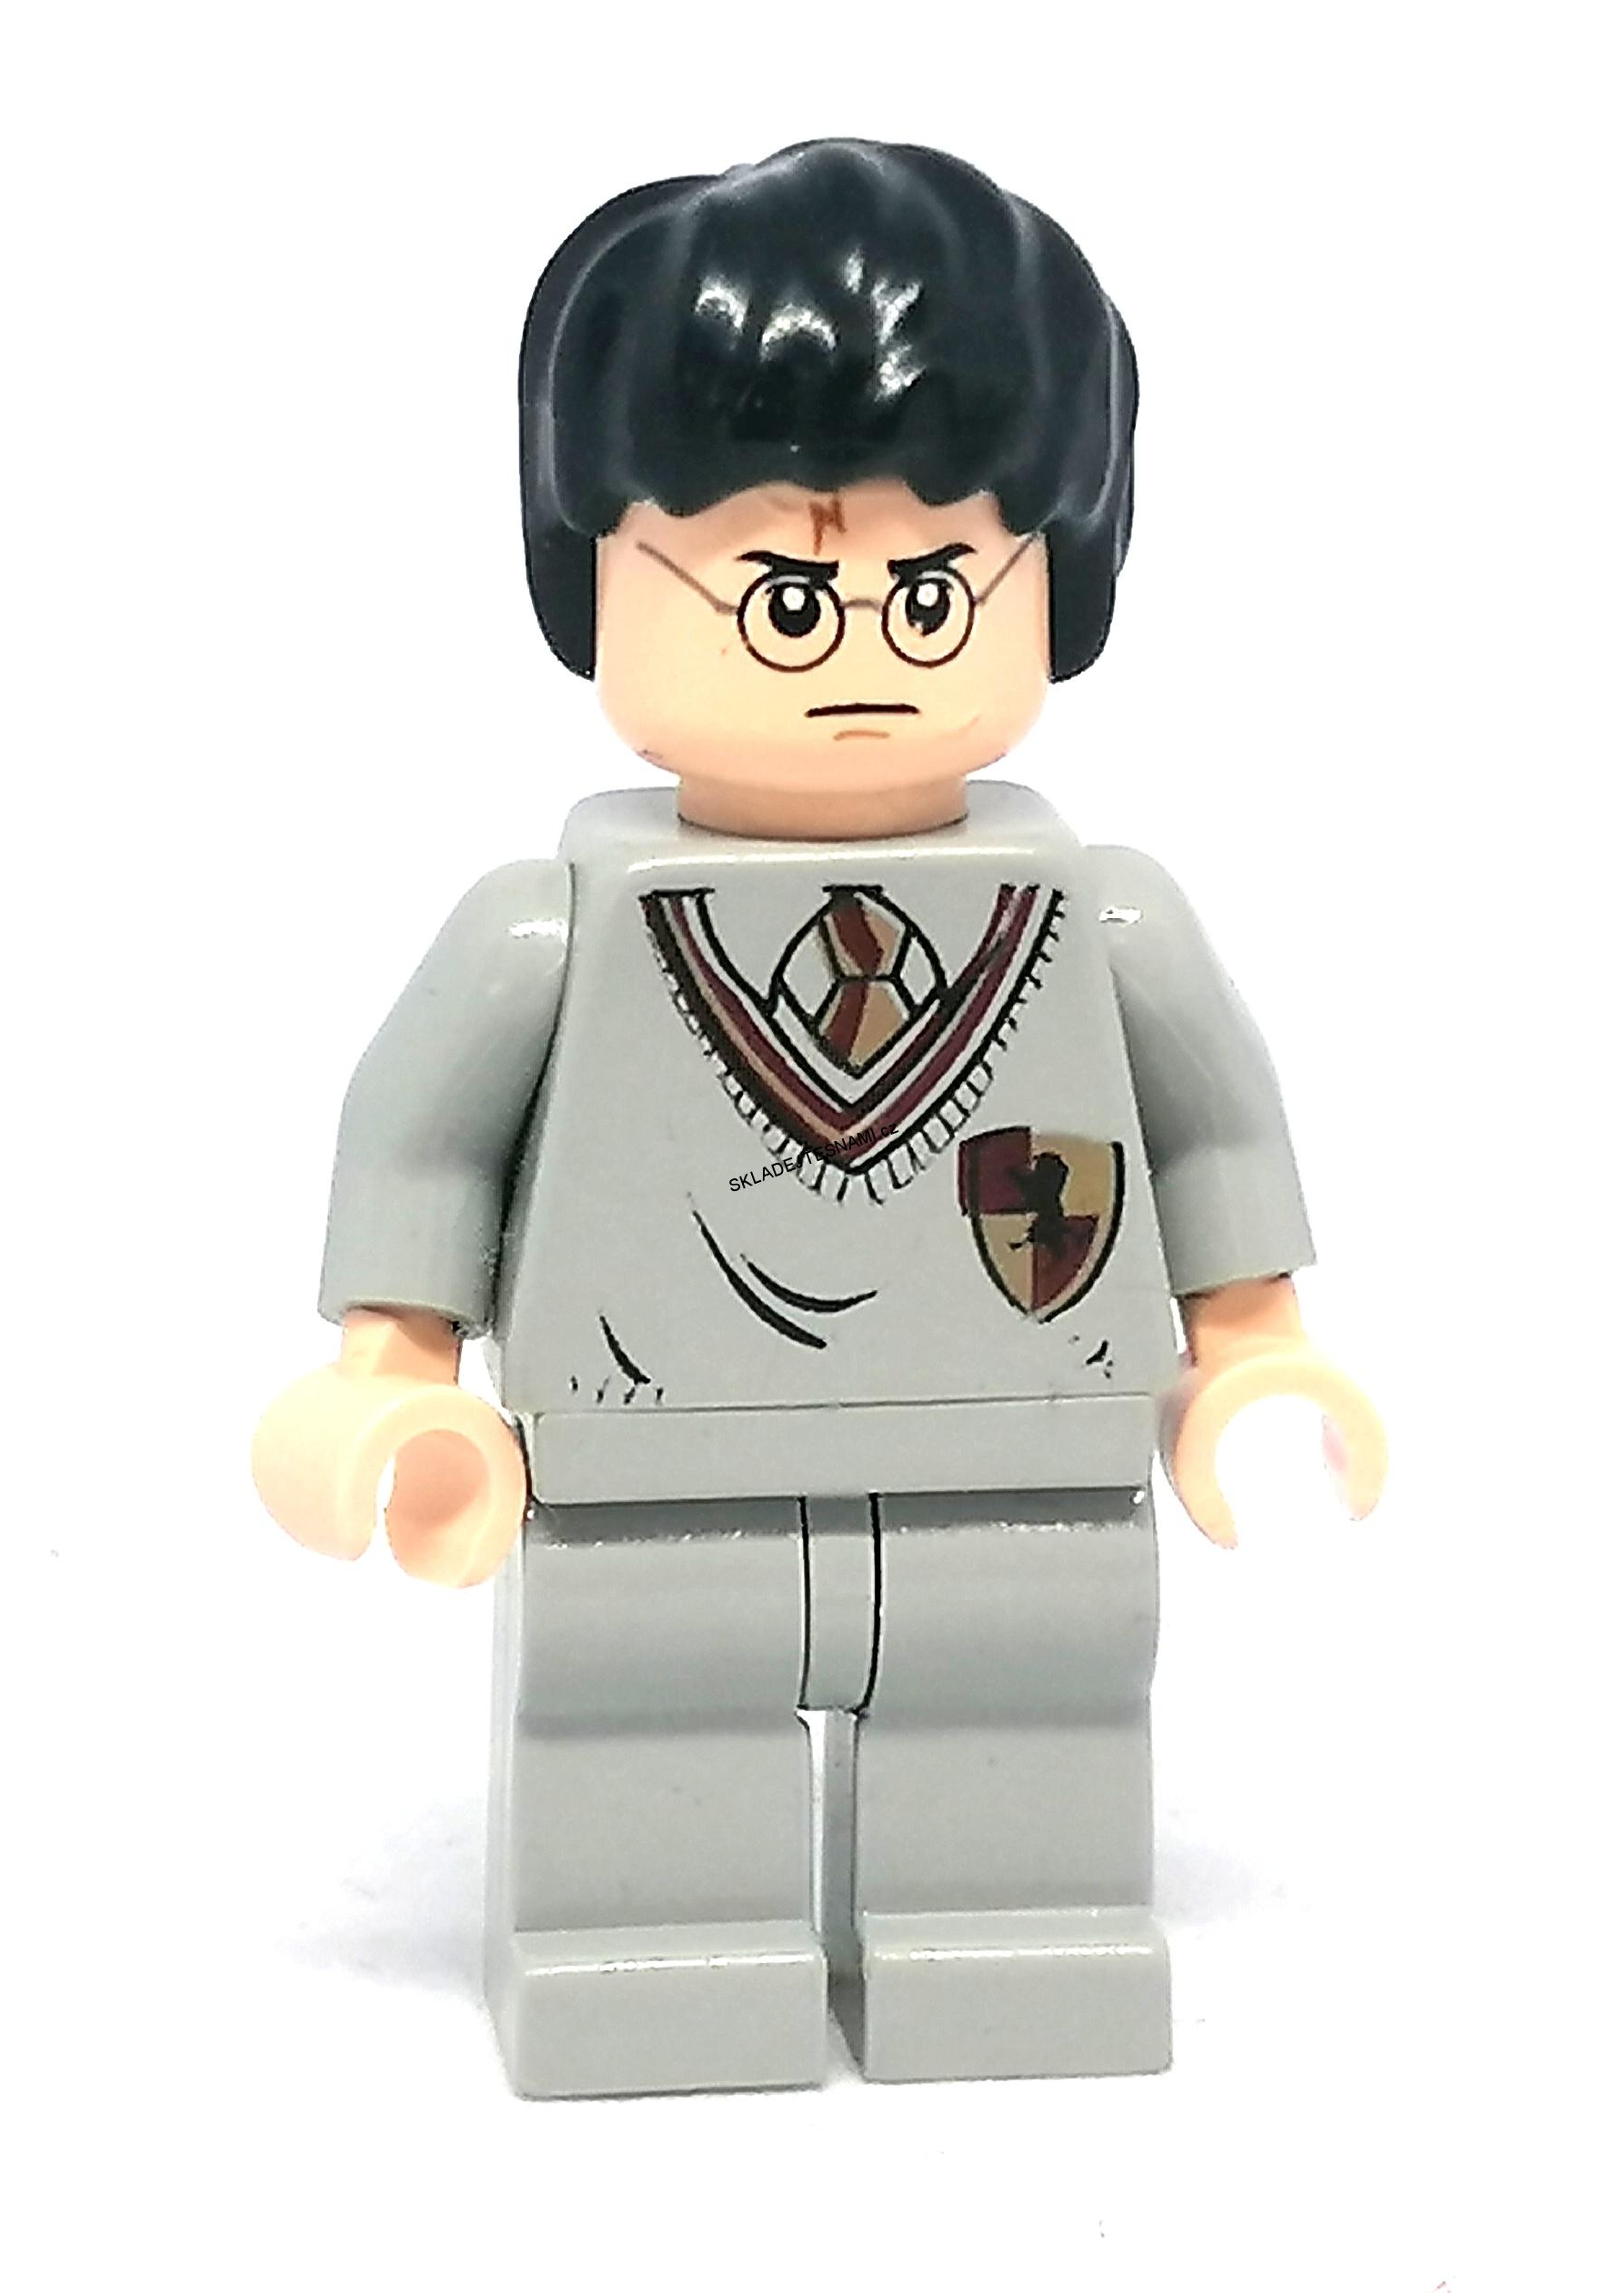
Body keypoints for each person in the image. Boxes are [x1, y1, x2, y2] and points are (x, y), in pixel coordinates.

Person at [253, 138, 1386, 2098]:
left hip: (1024, 1450)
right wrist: (390, 1372)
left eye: (934, 590)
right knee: (642, 1704)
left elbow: (1205, 1144)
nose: (858, 646)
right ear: (594, 576)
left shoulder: (1099, 917)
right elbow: (423, 1142)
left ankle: (1005, 1936)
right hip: (641, 1461)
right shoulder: (552, 929)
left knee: (1025, 1696)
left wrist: (1254, 1348)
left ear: (1061, 585)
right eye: (778, 595)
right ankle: (639, 1947)